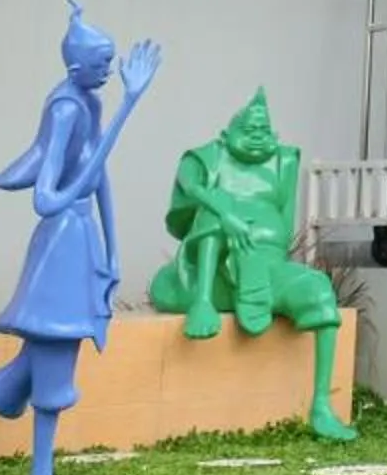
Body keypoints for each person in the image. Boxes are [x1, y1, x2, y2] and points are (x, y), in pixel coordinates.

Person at [0, 0, 161, 475]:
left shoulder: (90, 101)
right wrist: (128, 107)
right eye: (101, 64)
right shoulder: (67, 107)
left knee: (19, 380)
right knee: (54, 367)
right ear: (75, 67)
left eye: (111, 63)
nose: (110, 72)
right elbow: (47, 198)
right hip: (60, 245)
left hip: (82, 242)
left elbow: (100, 175)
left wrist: (113, 250)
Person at [148, 90, 355, 441]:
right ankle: (203, 302)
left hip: (269, 264)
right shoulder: (207, 157)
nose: (258, 135)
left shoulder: (284, 162)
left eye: (264, 129)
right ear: (228, 133)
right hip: (212, 265)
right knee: (214, 209)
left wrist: (261, 249)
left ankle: (321, 405)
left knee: (320, 290)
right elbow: (190, 186)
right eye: (250, 129)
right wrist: (226, 215)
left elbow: (284, 222)